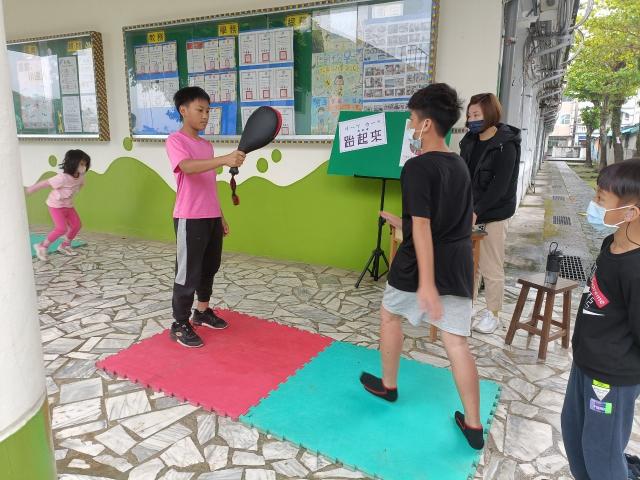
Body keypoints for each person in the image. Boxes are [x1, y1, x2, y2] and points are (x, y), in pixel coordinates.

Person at [359, 83, 485, 450]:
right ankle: (474, 425)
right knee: (456, 342)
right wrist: (402, 221)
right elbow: (458, 219)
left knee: (389, 317)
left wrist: (427, 282)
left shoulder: (416, 167)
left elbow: (426, 226)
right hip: (458, 262)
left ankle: (389, 386)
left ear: (427, 123)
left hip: (419, 263)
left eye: (413, 119)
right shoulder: (459, 164)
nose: (411, 126)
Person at [561, 159, 640, 480]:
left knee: (602, 457)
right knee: (574, 437)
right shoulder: (611, 243)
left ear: (630, 212)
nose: (592, 203)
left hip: (611, 378)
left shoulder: (636, 268)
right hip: (585, 364)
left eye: (600, 198)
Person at [166, 86, 245, 348]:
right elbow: (187, 167)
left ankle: (201, 312)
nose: (205, 116)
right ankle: (179, 324)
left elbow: (209, 185)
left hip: (210, 216)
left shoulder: (206, 146)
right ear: (183, 110)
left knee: (209, 267)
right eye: (200, 110)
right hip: (189, 217)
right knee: (187, 273)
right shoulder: (176, 141)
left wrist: (220, 215)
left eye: (208, 111)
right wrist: (224, 159)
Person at [459, 93, 521, 334]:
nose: (472, 119)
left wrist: (478, 211)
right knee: (469, 265)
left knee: (490, 265)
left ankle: (493, 314)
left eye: (476, 114)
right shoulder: (469, 141)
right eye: (469, 115)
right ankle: (468, 307)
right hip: (470, 211)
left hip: (494, 213)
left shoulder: (506, 144)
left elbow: (500, 186)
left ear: (490, 114)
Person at [27, 149, 90, 261]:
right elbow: (46, 183)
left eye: (85, 164)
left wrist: (77, 189)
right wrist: (31, 189)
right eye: (81, 164)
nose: (83, 167)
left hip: (68, 206)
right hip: (55, 206)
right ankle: (42, 246)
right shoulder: (62, 178)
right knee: (61, 228)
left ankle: (65, 245)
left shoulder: (80, 176)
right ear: (73, 163)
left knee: (76, 225)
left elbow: (81, 183)